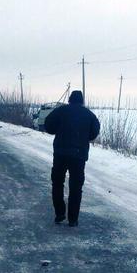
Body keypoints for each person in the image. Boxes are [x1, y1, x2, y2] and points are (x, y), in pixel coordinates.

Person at [43, 90, 100, 227]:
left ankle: (59, 214)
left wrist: (58, 130)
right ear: (82, 101)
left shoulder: (60, 111)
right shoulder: (89, 115)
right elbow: (94, 133)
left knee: (57, 183)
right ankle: (73, 219)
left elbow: (48, 125)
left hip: (60, 153)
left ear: (69, 100)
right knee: (76, 187)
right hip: (79, 155)